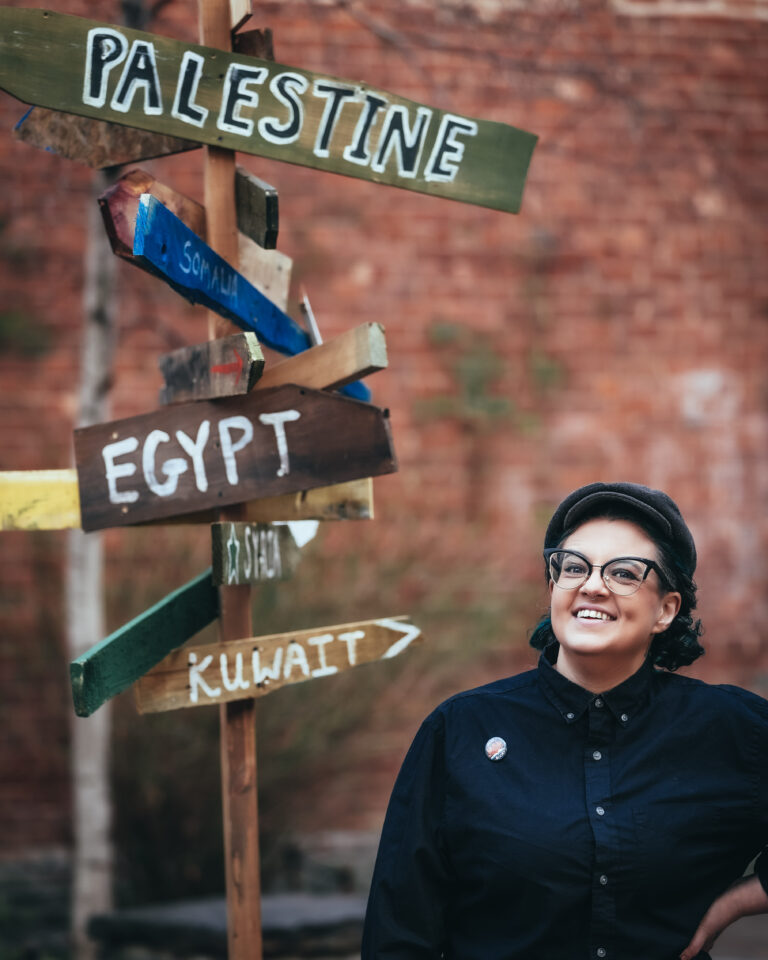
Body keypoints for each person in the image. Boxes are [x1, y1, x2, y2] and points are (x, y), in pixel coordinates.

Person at [362, 482, 768, 960]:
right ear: (555, 586)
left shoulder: (731, 730)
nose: (591, 584)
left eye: (624, 572)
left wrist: (741, 898)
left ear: (666, 609)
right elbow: (401, 930)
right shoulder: (461, 729)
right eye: (573, 567)